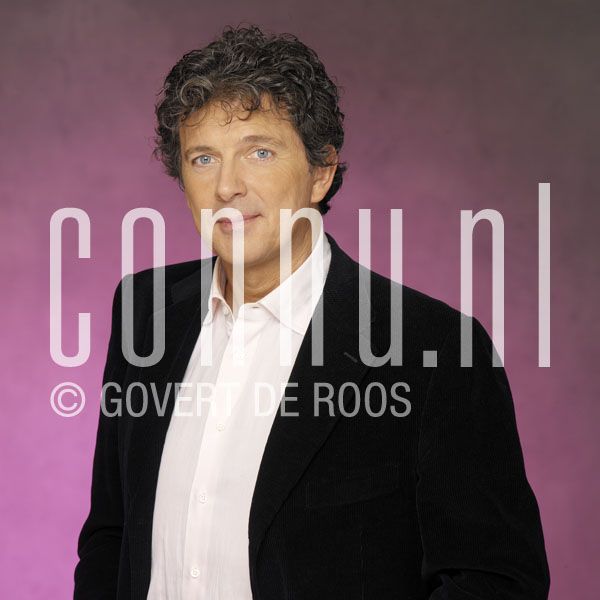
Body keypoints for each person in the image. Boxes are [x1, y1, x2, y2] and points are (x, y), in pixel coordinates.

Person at [74, 24, 550, 599]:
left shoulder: (436, 349)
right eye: (203, 158)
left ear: (320, 172)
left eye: (260, 152)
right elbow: (111, 536)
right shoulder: (144, 310)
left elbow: (495, 581)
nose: (227, 186)